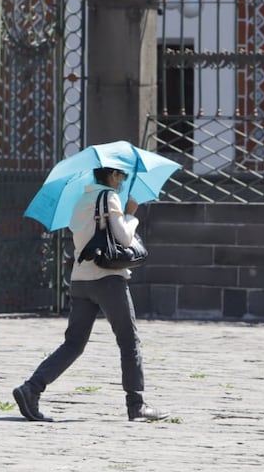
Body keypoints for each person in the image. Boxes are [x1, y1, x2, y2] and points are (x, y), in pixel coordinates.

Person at [12, 166, 168, 422]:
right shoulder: (109, 197)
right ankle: (136, 405)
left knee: (73, 344)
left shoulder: (80, 200)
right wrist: (131, 215)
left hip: (81, 279)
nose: (122, 182)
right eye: (121, 176)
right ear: (113, 175)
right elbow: (124, 238)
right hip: (108, 279)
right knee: (129, 342)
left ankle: (31, 388)